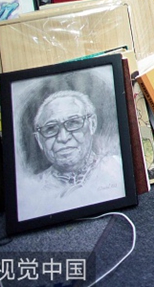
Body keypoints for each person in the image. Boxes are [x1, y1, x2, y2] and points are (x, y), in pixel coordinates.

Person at [17, 90, 125, 220]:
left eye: (73, 123)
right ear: (40, 140)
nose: (63, 138)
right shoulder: (30, 192)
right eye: (51, 128)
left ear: (92, 124)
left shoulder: (117, 168)